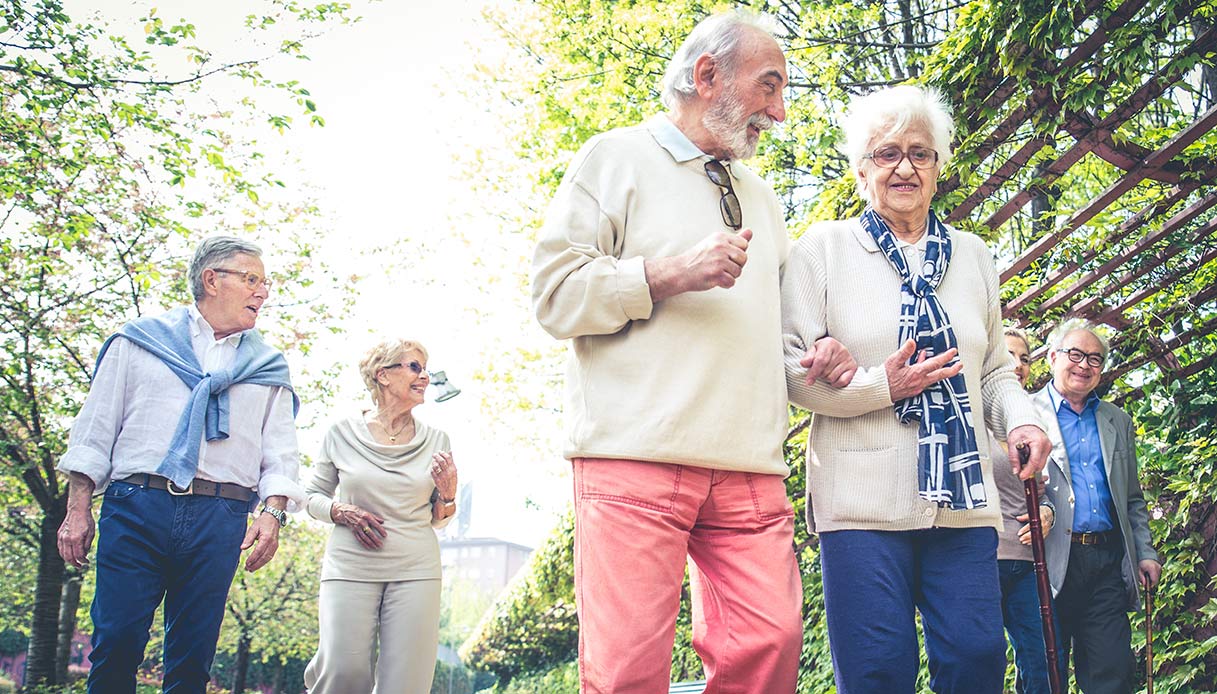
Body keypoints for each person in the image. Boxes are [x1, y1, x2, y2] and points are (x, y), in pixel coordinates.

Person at [531, 11, 856, 693]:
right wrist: (664, 274)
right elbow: (555, 296)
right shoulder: (612, 157)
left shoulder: (763, 200)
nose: (781, 112)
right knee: (625, 674)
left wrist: (812, 358)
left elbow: (773, 336)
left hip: (747, 465)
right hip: (632, 459)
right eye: (769, 87)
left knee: (771, 642)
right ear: (707, 75)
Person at [780, 84, 1053, 694]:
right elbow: (793, 375)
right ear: (861, 169)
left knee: (978, 659)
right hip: (861, 506)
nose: (904, 166)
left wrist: (1023, 421)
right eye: (886, 153)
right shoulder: (822, 252)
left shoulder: (975, 256)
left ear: (938, 169)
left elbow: (994, 372)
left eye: (920, 153)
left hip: (962, 503)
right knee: (876, 671)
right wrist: (887, 385)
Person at [56, 236, 303, 693]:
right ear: (212, 280)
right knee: (116, 644)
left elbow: (281, 453)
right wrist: (77, 509)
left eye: (264, 282)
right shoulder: (139, 342)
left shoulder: (269, 367)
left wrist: (272, 515)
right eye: (251, 280)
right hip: (137, 505)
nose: (262, 292)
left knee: (193, 660)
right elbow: (95, 429)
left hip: (221, 516)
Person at [303, 338, 458, 694]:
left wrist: (448, 492)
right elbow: (310, 496)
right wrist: (341, 511)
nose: (424, 377)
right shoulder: (341, 433)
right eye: (414, 367)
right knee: (341, 672)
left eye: (425, 369)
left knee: (406, 683)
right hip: (350, 566)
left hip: (415, 568)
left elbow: (441, 518)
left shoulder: (437, 440)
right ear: (383, 375)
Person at [1036, 318, 1162, 693]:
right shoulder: (1024, 414)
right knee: (1046, 672)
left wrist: (1145, 552)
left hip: (1106, 563)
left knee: (1113, 671)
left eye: (1095, 359)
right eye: (1075, 354)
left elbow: (1132, 498)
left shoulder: (1117, 421)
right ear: (1052, 356)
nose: (1084, 365)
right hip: (1048, 562)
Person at [992, 327, 1067, 693]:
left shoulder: (1033, 425)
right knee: (981, 662)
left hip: (1026, 563)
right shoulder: (970, 416)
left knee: (1045, 664)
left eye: (1025, 358)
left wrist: (1048, 512)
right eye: (1009, 356)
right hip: (978, 561)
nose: (1018, 365)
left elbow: (1045, 491)